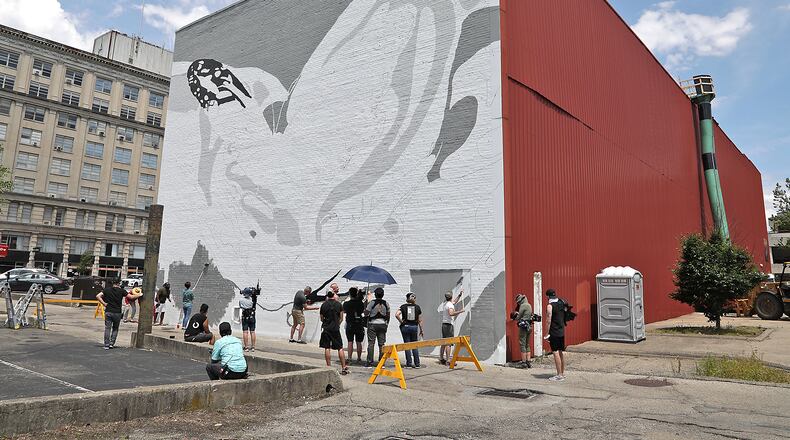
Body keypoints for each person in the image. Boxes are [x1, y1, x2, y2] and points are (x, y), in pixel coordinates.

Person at [96, 279, 143, 349]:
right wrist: (140, 294)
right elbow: (131, 297)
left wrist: (104, 304)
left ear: (112, 283)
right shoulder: (121, 291)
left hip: (108, 311)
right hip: (117, 312)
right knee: (115, 328)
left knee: (107, 328)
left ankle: (106, 345)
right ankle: (112, 344)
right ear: (119, 283)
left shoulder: (107, 290)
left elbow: (98, 296)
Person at [319, 290, 348, 375]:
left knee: (327, 347)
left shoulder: (323, 305)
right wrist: (337, 324)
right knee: (340, 347)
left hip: (326, 329)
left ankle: (329, 367)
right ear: (334, 295)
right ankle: (343, 367)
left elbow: (321, 318)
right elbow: (342, 318)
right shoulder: (339, 304)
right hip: (335, 329)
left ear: (327, 296)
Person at [396, 292, 423, 368]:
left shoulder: (403, 306)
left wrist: (402, 322)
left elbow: (396, 314)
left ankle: (409, 363)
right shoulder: (417, 307)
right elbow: (420, 320)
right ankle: (417, 364)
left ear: (407, 299)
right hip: (414, 326)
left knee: (407, 345)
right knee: (414, 345)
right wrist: (421, 330)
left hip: (405, 327)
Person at [544, 288, 566, 381]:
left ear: (548, 296)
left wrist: (546, 333)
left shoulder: (550, 306)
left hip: (554, 332)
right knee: (560, 352)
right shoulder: (561, 302)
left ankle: (559, 375)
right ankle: (562, 373)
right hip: (561, 331)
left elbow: (548, 320)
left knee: (555, 352)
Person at [364, 287, 390, 368]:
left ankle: (369, 362)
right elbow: (388, 315)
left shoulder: (372, 303)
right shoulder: (386, 303)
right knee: (381, 344)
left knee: (371, 344)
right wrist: (386, 324)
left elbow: (366, 313)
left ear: (375, 294)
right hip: (382, 324)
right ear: (383, 295)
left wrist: (366, 305)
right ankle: (381, 363)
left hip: (372, 324)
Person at [439, 289, 464, 365]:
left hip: (444, 325)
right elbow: (451, 313)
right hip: (449, 325)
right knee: (448, 343)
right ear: (451, 297)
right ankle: (448, 360)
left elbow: (454, 302)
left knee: (444, 342)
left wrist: (459, 295)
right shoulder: (449, 305)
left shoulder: (446, 303)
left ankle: (441, 358)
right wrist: (460, 311)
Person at [342, 287, 365, 364]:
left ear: (350, 294)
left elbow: (344, 311)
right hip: (359, 323)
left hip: (350, 323)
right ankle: (359, 358)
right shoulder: (361, 303)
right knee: (359, 342)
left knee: (350, 341)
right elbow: (362, 311)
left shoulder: (346, 303)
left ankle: (349, 358)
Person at [512, 293, 533, 369]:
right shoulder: (529, 305)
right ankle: (528, 361)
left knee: (522, 343)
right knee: (527, 344)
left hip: (523, 327)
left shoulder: (523, 306)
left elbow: (518, 317)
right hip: (529, 326)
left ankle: (523, 363)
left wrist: (515, 315)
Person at [239, 286, 260, 352]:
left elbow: (240, 306)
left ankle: (246, 347)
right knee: (252, 332)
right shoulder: (252, 300)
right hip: (252, 316)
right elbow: (254, 303)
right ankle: (253, 347)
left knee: (245, 332)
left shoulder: (241, 300)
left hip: (245, 316)